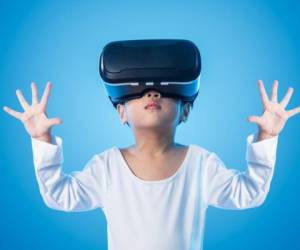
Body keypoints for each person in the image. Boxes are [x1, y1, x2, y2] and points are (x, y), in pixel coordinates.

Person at [3, 79, 300, 250]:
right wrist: (42, 137)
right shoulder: (107, 166)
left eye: (165, 90)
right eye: (141, 90)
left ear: (185, 113)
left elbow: (249, 193)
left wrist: (267, 134)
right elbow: (59, 195)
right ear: (121, 113)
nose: (153, 93)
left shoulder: (201, 163)